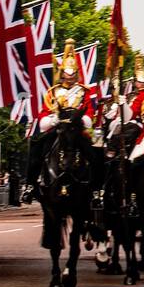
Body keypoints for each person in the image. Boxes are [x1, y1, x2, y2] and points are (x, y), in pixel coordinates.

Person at [23, 40, 99, 201]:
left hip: (77, 131)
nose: (69, 76)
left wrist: (81, 120)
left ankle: (96, 191)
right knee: (36, 149)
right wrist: (53, 119)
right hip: (57, 129)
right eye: (67, 72)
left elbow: (89, 112)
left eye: (72, 73)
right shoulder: (53, 92)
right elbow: (44, 113)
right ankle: (29, 185)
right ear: (62, 72)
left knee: (94, 155)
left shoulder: (83, 92)